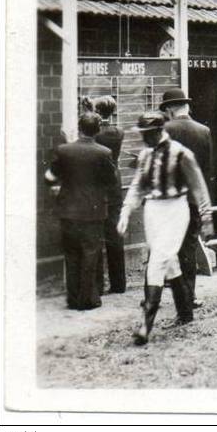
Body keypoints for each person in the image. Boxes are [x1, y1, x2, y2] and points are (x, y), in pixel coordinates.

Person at [117, 111, 212, 345]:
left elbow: (199, 186)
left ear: (159, 131)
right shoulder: (145, 155)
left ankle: (145, 326)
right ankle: (185, 311)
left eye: (147, 134)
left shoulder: (182, 153)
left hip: (176, 209)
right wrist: (126, 211)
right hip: (153, 210)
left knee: (158, 259)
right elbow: (138, 186)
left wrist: (206, 216)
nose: (144, 139)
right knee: (170, 262)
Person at [45, 111, 122, 310]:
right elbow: (111, 181)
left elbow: (50, 177)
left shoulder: (63, 150)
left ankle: (72, 298)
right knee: (90, 253)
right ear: (97, 130)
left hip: (68, 210)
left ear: (79, 128)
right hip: (93, 211)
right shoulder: (103, 152)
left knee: (71, 254)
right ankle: (88, 299)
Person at [160, 88, 212, 310]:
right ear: (186, 106)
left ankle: (150, 295)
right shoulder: (204, 131)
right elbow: (205, 169)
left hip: (167, 198)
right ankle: (189, 297)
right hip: (191, 199)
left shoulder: (164, 129)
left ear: (171, 109)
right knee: (189, 249)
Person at [92, 95, 126, 294]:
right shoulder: (118, 132)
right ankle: (119, 283)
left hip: (97, 187)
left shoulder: (94, 134)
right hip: (114, 185)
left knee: (96, 235)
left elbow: (91, 133)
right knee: (114, 236)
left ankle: (98, 285)